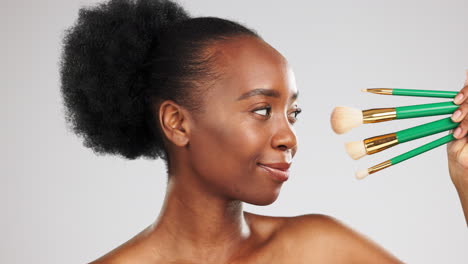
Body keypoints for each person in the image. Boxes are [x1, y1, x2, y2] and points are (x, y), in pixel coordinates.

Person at [59, 0, 468, 263]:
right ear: (177, 122)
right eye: (261, 110)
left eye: (293, 113)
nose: (288, 137)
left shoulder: (319, 249)